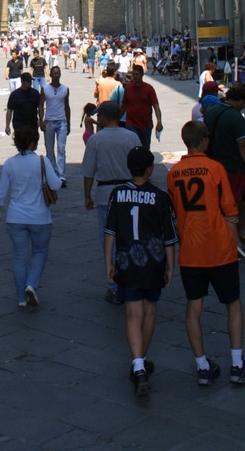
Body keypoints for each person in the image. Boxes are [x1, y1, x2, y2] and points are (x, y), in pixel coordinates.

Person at [167, 120, 245, 386]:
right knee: (233, 303)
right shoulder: (215, 169)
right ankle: (237, 363)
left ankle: (202, 365)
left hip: (191, 251)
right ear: (205, 140)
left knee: (193, 307)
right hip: (218, 249)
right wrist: (235, 245)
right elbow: (230, 212)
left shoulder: (174, 174)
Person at [104, 146, 178, 396]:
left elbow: (110, 232)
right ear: (149, 168)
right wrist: (171, 265)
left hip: (127, 260)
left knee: (133, 313)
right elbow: (169, 236)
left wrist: (108, 262)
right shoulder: (159, 197)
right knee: (150, 312)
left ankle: (137, 365)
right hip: (153, 261)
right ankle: (141, 359)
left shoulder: (118, 193)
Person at [0, 126, 61, 307]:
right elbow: (56, 184)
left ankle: (21, 298)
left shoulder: (9, 163)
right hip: (40, 217)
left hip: (15, 217)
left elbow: (2, 191)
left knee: (19, 257)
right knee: (39, 252)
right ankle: (31, 284)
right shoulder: (42, 161)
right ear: (32, 143)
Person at [82, 101, 139, 303]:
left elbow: (89, 172)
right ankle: (131, 280)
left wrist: (87, 195)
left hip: (106, 194)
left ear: (105, 118)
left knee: (109, 241)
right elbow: (140, 165)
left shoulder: (96, 140)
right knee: (130, 238)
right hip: (130, 193)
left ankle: (114, 286)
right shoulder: (131, 137)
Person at [203, 82, 245, 248]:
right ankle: (237, 233)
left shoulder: (212, 112)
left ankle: (219, 231)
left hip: (213, 163)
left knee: (217, 200)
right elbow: (242, 146)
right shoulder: (235, 117)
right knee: (238, 201)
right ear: (240, 100)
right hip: (233, 166)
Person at [38, 65, 70, 187]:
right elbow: (41, 105)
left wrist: (69, 123)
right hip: (49, 121)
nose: (56, 75)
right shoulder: (45, 89)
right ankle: (53, 174)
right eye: (54, 73)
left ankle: (62, 176)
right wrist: (41, 120)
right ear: (50, 75)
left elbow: (67, 106)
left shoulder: (65, 89)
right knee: (49, 150)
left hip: (62, 121)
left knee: (61, 149)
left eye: (58, 73)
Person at [121, 65, 163, 150]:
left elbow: (156, 106)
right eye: (134, 74)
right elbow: (124, 106)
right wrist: (117, 119)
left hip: (145, 125)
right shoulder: (128, 88)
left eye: (137, 74)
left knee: (145, 147)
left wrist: (159, 121)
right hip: (131, 124)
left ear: (142, 75)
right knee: (132, 147)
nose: (135, 77)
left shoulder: (149, 89)